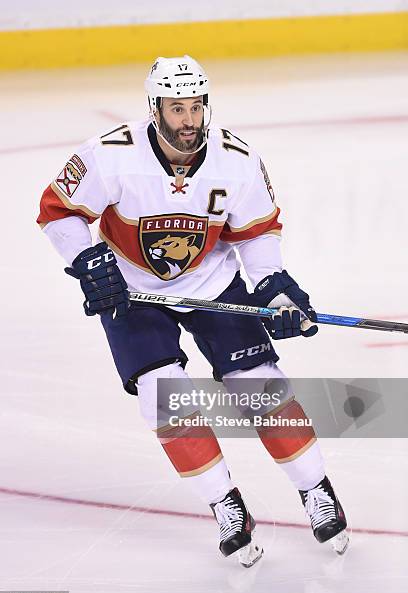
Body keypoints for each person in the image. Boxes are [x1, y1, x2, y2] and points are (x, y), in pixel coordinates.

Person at [37, 55, 348, 567]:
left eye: (196, 107)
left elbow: (255, 232)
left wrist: (273, 286)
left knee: (260, 386)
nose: (188, 120)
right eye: (176, 108)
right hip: (133, 292)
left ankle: (315, 488)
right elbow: (57, 210)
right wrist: (88, 259)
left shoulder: (237, 159)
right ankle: (226, 504)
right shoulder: (110, 155)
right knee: (165, 399)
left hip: (213, 281)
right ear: (155, 108)